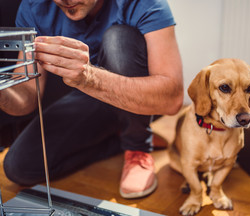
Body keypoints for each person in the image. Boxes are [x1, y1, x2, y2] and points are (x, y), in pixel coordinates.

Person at [0, 0, 183, 199]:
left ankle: (137, 146)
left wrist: (88, 78)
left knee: (118, 39)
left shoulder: (142, 3)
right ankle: (119, 135)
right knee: (19, 167)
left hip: (140, 98)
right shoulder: (34, 6)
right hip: (91, 97)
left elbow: (172, 100)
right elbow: (26, 97)